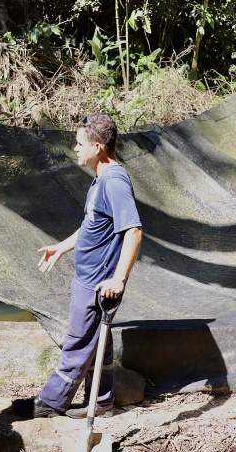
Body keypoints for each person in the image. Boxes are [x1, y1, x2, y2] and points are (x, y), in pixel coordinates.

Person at [12, 112, 143, 419]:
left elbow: (134, 231)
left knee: (77, 341)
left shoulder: (114, 182)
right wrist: (61, 247)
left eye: (80, 143)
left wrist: (119, 280)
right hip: (89, 277)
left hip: (99, 283)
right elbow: (91, 226)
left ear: (98, 147)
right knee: (99, 343)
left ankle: (50, 403)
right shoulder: (100, 179)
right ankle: (102, 400)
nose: (75, 149)